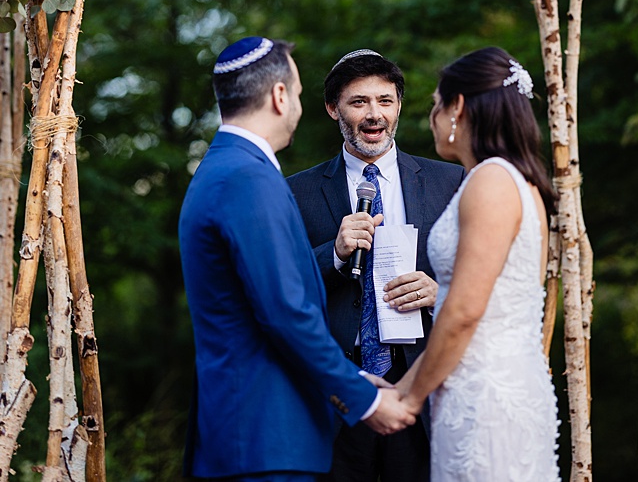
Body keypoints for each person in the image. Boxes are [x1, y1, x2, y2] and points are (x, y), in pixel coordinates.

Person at [179, 36, 416, 482]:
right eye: (301, 95)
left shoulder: (228, 168)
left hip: (258, 433)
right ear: (279, 95)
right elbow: (285, 313)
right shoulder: (249, 178)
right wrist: (362, 398)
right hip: (265, 437)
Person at [288, 49, 465, 482]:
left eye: (385, 101)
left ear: (399, 106)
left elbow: (481, 279)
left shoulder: (450, 181)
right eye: (359, 102)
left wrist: (439, 293)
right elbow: (283, 288)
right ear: (333, 109)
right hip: (337, 395)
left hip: (421, 385)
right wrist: (334, 252)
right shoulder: (296, 191)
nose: (374, 115)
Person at [396, 46, 560, 482]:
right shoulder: (504, 178)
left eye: (436, 104)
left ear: (459, 107)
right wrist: (402, 389)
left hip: (488, 397)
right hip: (480, 386)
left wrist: (411, 402)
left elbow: (465, 312)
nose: (431, 117)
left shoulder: (491, 180)